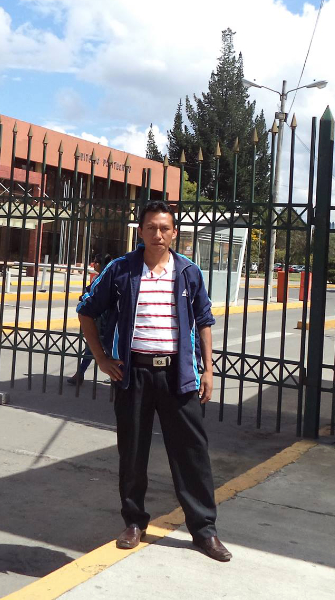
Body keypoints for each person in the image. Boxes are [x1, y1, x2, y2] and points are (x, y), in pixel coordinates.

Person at [76, 200, 231, 563]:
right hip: (133, 375)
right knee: (132, 451)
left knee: (192, 454)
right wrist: (100, 357)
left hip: (178, 375)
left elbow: (204, 321)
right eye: (151, 227)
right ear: (141, 231)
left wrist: (208, 369)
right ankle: (133, 522)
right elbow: (86, 309)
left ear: (174, 232)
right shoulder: (121, 270)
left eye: (164, 228)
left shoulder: (189, 272)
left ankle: (204, 530)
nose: (157, 234)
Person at [67, 254, 114, 386]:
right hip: (100, 319)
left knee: (105, 347)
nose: (94, 265)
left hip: (104, 319)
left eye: (95, 262)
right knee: (94, 346)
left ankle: (115, 373)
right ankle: (80, 373)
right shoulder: (102, 277)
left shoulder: (105, 278)